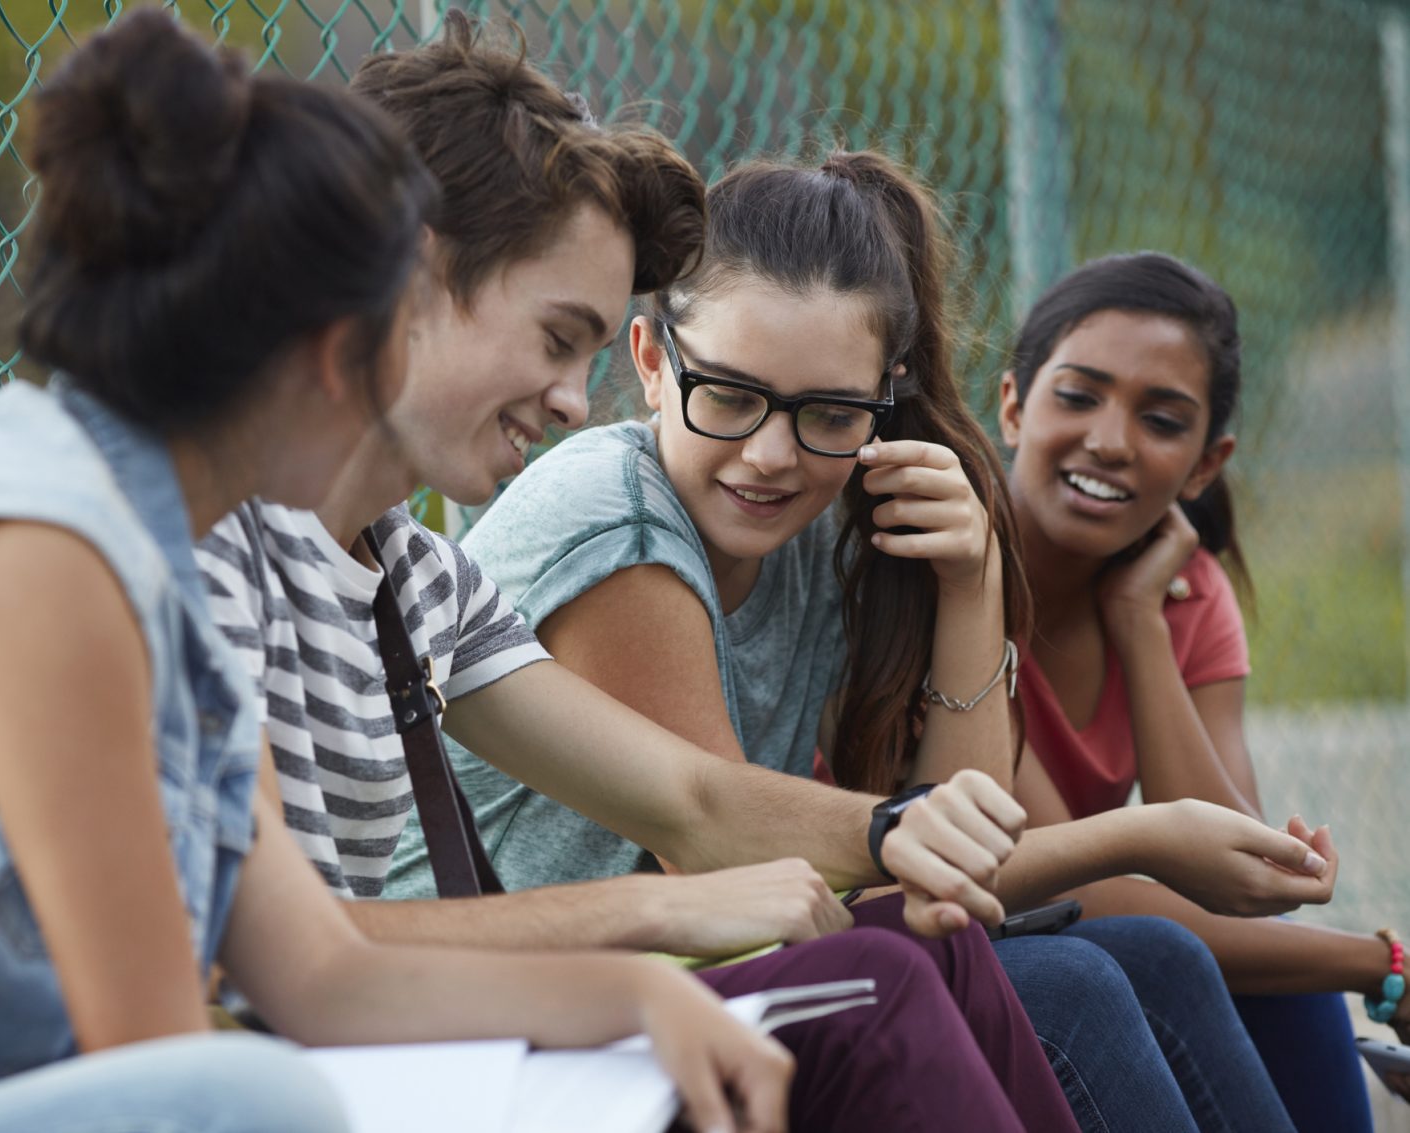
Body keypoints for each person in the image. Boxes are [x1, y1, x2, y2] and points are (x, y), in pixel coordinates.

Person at [0, 14, 797, 1133]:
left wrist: (637, 989)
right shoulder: (44, 549)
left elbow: (321, 975)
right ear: (335, 350)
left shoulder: (166, 559)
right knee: (250, 1096)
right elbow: (163, 1061)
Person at [197, 14, 1079, 1131]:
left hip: (390, 1050)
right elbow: (282, 960)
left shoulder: (409, 574)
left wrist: (885, 825)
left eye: (823, 412)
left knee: (914, 953)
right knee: (877, 983)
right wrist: (649, 932)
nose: (574, 399)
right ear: (408, 278)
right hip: (283, 1079)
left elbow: (690, 797)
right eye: (559, 336)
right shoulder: (207, 538)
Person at [405, 151, 1330, 1132]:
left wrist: (968, 583)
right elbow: (721, 859)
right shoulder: (618, 521)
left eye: (827, 412)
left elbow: (962, 870)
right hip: (524, 1005)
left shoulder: (822, 520)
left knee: (1155, 955)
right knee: (1061, 987)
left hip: (682, 968)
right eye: (725, 393)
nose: (769, 453)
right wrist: (1141, 836)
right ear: (647, 360)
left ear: (878, 400)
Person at [998, 250, 1404, 1129]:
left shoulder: (1183, 589)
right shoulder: (957, 581)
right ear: (1012, 405)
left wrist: (1139, 620)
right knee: (1178, 954)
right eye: (1077, 395)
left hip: (1088, 928)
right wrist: (1383, 962)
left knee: (1279, 980)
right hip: (963, 919)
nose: (1110, 440)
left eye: (1161, 419)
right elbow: (1054, 885)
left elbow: (1242, 875)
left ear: (1204, 463)